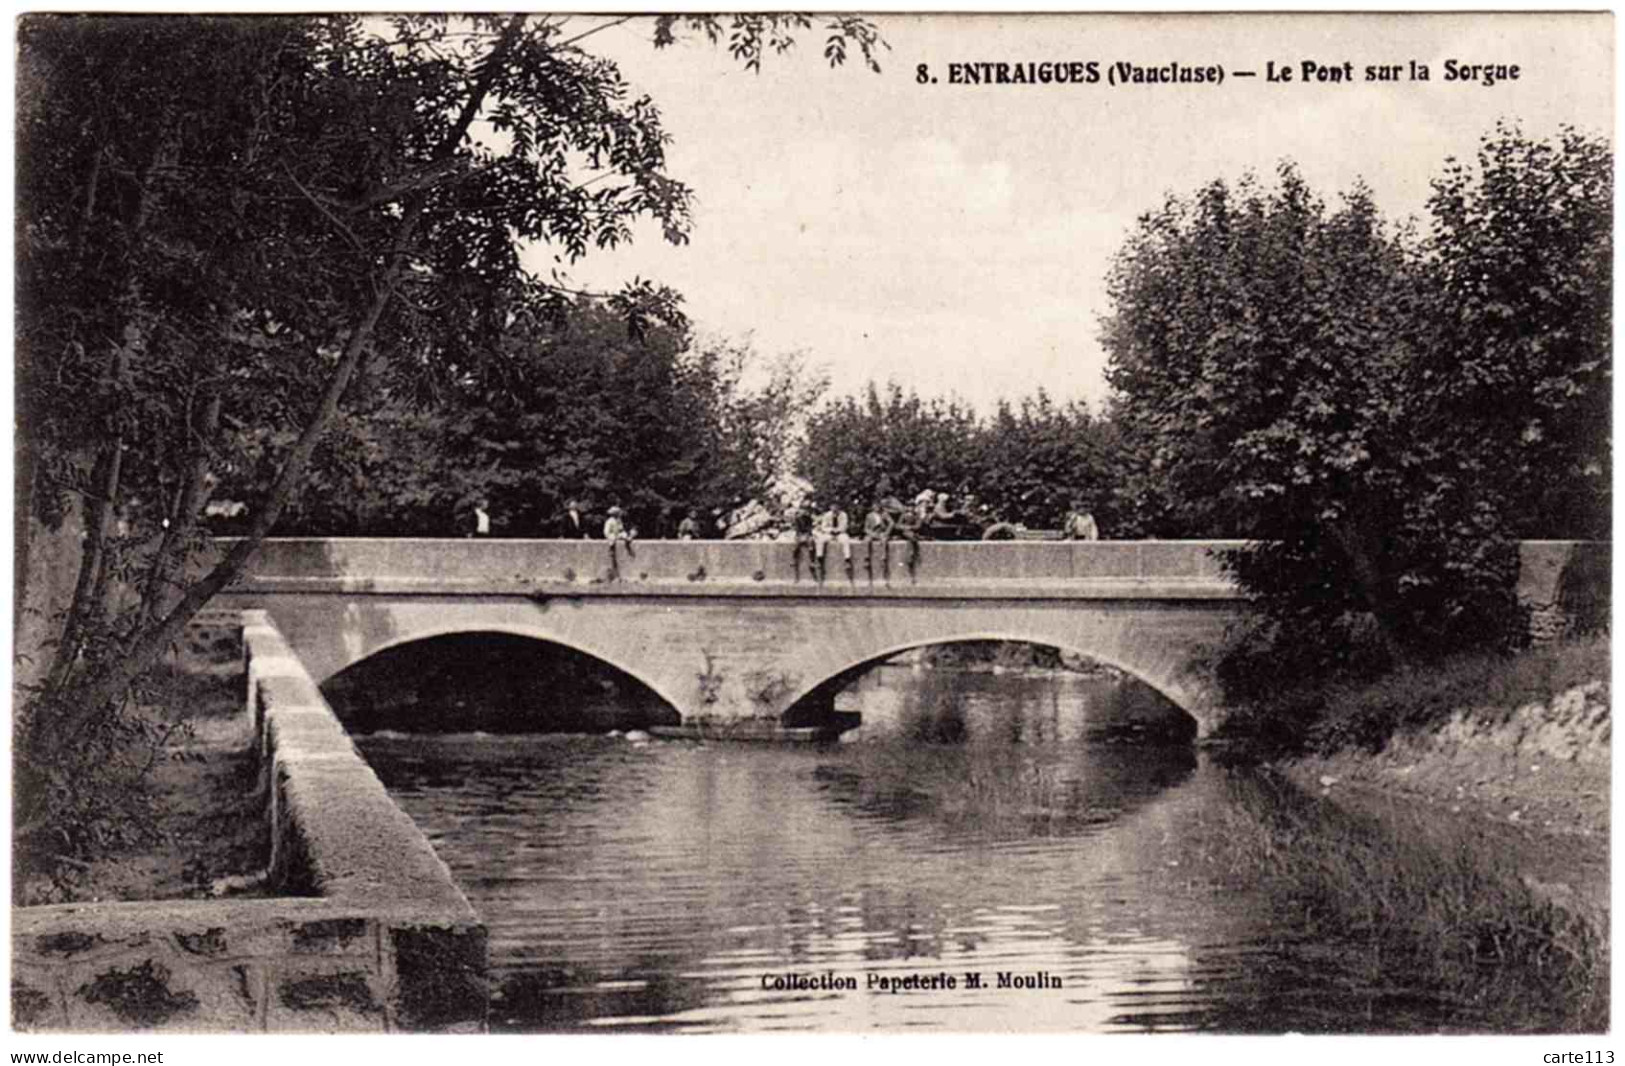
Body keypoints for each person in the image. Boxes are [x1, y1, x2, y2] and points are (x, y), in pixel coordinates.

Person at [816, 501, 853, 582]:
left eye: (836, 506)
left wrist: (838, 530)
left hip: (840, 533)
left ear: (839, 507)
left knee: (845, 540)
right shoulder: (827, 515)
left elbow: (844, 526)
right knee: (820, 540)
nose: (834, 508)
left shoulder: (843, 515)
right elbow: (823, 526)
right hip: (830, 533)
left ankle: (847, 559)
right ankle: (819, 559)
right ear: (830, 507)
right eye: (833, 506)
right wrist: (831, 530)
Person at [863, 499, 894, 584]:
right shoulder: (869, 516)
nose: (876, 508)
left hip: (881, 532)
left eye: (878, 506)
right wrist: (872, 534)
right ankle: (866, 558)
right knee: (867, 540)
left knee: (884, 540)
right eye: (874, 507)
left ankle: (883, 558)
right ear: (872, 507)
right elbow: (866, 528)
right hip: (873, 533)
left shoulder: (884, 514)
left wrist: (886, 532)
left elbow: (891, 523)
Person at [603, 505, 635, 577]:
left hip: (617, 534)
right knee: (612, 538)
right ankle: (611, 550)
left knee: (625, 535)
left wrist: (623, 534)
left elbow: (621, 529)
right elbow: (606, 531)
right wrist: (611, 535)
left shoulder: (619, 520)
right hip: (612, 534)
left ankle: (628, 544)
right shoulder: (609, 521)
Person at [791, 504, 817, 581]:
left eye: (804, 510)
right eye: (801, 510)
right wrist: (801, 536)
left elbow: (810, 529)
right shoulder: (797, 519)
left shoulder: (808, 518)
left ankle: (812, 561)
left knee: (811, 544)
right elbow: (797, 530)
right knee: (796, 545)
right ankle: (793, 559)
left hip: (806, 534)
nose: (803, 512)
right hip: (800, 534)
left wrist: (808, 535)